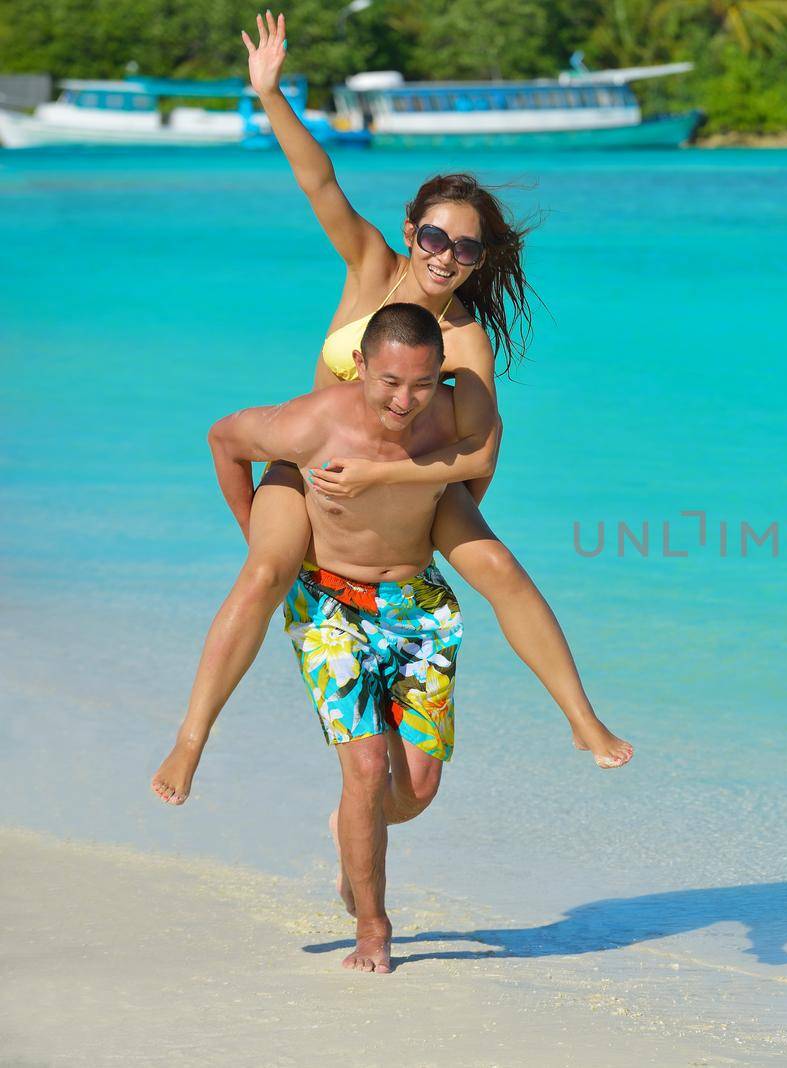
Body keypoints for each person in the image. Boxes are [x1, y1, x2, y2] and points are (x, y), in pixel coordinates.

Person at [151, 10, 630, 812]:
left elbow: (479, 458)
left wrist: (408, 501)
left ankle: (581, 719)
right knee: (267, 569)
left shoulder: (467, 342)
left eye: (467, 249)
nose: (447, 257)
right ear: (414, 232)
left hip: (409, 478)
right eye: (437, 238)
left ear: (481, 263)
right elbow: (319, 180)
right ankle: (191, 739)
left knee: (502, 569)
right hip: (311, 468)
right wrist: (269, 96)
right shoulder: (371, 265)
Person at [212, 303, 478, 971]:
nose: (404, 398)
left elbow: (480, 459)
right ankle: (373, 928)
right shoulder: (311, 422)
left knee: (414, 791)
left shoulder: (449, 417)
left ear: (440, 375)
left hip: (416, 606)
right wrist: (259, 536)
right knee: (363, 771)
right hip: (329, 602)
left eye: (421, 383)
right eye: (389, 381)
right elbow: (225, 439)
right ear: (359, 367)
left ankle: (351, 831)